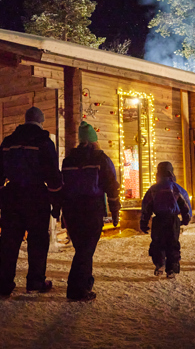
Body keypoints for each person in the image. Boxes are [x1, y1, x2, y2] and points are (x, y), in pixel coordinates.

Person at [0, 106, 62, 296]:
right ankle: (35, 281)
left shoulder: (9, 141)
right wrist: (56, 200)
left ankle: (4, 284)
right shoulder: (43, 142)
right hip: (36, 195)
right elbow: (52, 174)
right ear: (41, 121)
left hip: (12, 195)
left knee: (9, 242)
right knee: (37, 240)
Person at [59, 121, 121, 302]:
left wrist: (60, 208)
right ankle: (76, 289)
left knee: (82, 248)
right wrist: (115, 210)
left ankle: (86, 283)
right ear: (94, 141)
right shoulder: (100, 159)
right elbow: (112, 186)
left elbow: (62, 186)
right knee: (86, 250)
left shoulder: (68, 160)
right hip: (91, 208)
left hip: (71, 209)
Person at [139, 162, 191, 278]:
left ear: (158, 173)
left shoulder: (153, 189)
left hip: (159, 220)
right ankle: (171, 268)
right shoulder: (176, 188)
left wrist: (144, 221)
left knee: (158, 243)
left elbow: (146, 206)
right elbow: (185, 204)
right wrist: (186, 217)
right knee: (173, 243)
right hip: (173, 220)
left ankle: (159, 264)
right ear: (171, 172)